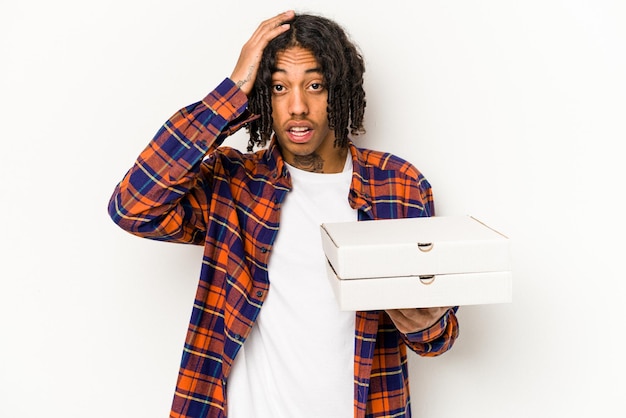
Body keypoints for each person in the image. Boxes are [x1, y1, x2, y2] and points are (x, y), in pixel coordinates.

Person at [108, 10, 459, 418]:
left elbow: (440, 337)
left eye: (315, 85)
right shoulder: (234, 183)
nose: (297, 106)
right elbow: (132, 206)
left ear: (339, 90)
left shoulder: (397, 185)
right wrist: (232, 91)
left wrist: (424, 322)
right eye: (278, 87)